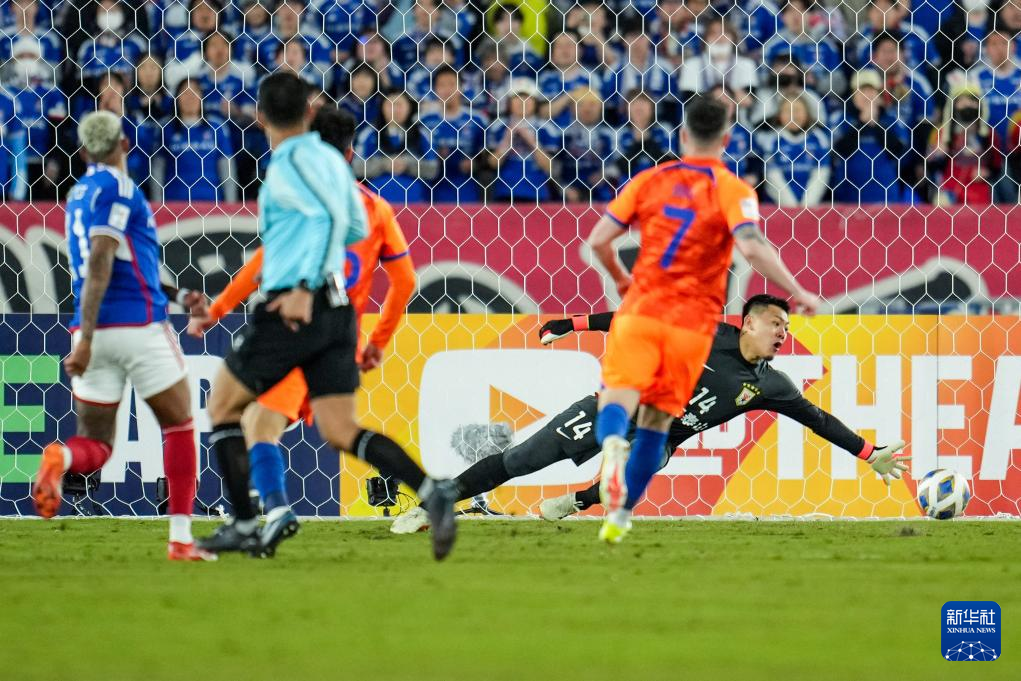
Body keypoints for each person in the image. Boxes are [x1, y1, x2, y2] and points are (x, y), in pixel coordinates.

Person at [200, 73, 457, 560]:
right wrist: (376, 338)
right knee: (339, 430)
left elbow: (275, 253)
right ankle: (432, 490)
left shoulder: (289, 164)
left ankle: (248, 522)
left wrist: (293, 286)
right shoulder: (359, 192)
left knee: (228, 410)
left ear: (261, 118)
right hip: (342, 319)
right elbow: (373, 249)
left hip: (296, 311)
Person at [390, 297, 910, 533]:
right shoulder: (705, 334)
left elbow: (818, 419)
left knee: (630, 480)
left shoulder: (772, 385)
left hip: (658, 437)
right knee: (522, 459)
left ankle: (578, 500)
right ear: (749, 323)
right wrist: (572, 324)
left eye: (786, 329)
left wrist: (870, 453)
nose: (782, 334)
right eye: (775, 324)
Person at [586, 95, 819, 544]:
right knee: (657, 423)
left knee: (617, 398)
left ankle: (612, 442)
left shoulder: (649, 180)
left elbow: (599, 241)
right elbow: (752, 247)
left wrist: (620, 277)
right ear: (727, 140)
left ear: (683, 136)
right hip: (691, 326)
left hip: (641, 310)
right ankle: (619, 517)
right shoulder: (734, 189)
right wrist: (798, 291)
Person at [31, 110, 212, 561]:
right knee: (180, 424)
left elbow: (132, 264)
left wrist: (180, 294)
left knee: (96, 446)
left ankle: (60, 459)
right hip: (136, 327)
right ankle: (180, 538)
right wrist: (90, 338)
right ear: (124, 144)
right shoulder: (123, 189)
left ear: (82, 152)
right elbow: (102, 260)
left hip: (90, 330)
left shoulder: (77, 195)